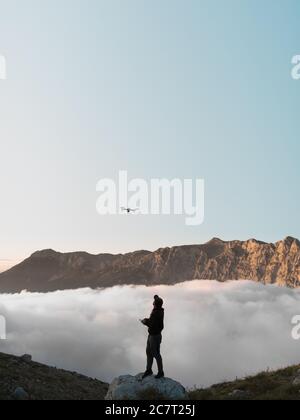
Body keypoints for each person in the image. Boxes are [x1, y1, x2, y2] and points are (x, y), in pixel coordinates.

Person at [141, 295, 165, 379]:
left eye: (154, 302)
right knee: (149, 352)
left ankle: (160, 372)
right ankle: (149, 370)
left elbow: (151, 324)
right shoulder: (159, 310)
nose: (152, 303)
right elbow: (152, 322)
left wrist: (145, 322)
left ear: (156, 304)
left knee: (155, 354)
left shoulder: (156, 313)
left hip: (154, 336)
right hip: (152, 335)